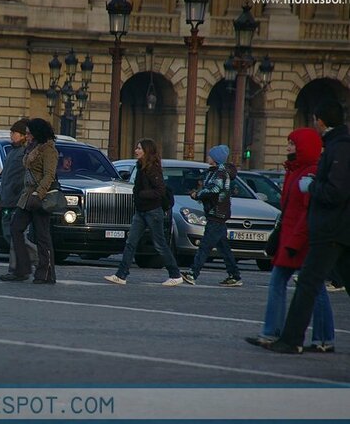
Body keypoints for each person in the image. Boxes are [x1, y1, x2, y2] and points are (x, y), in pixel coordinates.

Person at [263, 99, 350, 354]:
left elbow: (336, 191)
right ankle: (305, 339)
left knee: (309, 284)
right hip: (336, 228)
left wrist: (311, 186)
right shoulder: (337, 147)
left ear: (320, 121)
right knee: (311, 284)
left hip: (331, 229)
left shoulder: (339, 149)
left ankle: (291, 340)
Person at [245, 128, 335, 352]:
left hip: (301, 240)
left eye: (292, 144)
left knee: (310, 287)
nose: (287, 148)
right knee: (294, 284)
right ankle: (314, 337)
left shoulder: (310, 172)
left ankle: (319, 338)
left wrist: (294, 243)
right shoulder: (294, 171)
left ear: (304, 147)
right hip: (290, 237)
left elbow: (306, 214)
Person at [104, 139, 182, 286]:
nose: (136, 150)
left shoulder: (152, 168)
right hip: (141, 211)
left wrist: (141, 194)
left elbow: (160, 190)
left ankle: (175, 274)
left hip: (152, 211)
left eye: (139, 148)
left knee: (160, 244)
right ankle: (121, 275)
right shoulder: (141, 166)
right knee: (131, 243)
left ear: (146, 150)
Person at [180, 145, 242, 287]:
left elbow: (214, 189)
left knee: (205, 246)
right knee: (223, 247)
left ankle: (192, 273)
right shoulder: (214, 171)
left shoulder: (220, 172)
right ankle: (234, 275)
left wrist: (198, 195)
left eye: (210, 155)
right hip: (216, 213)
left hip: (217, 213)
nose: (208, 157)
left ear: (215, 159)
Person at [9, 118, 59, 284]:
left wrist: (39, 193)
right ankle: (22, 268)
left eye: (30, 133)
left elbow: (49, 175)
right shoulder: (31, 148)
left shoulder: (49, 150)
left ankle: (46, 273)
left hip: (39, 197)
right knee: (16, 228)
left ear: (38, 133)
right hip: (27, 196)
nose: (27, 136)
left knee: (42, 236)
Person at [0, 119, 38, 281]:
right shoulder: (12, 152)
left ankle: (20, 267)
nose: (11, 135)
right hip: (7, 199)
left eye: (13, 133)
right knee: (10, 235)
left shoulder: (24, 153)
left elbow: (24, 179)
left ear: (22, 135)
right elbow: (6, 177)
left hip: (17, 201)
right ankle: (26, 264)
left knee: (16, 237)